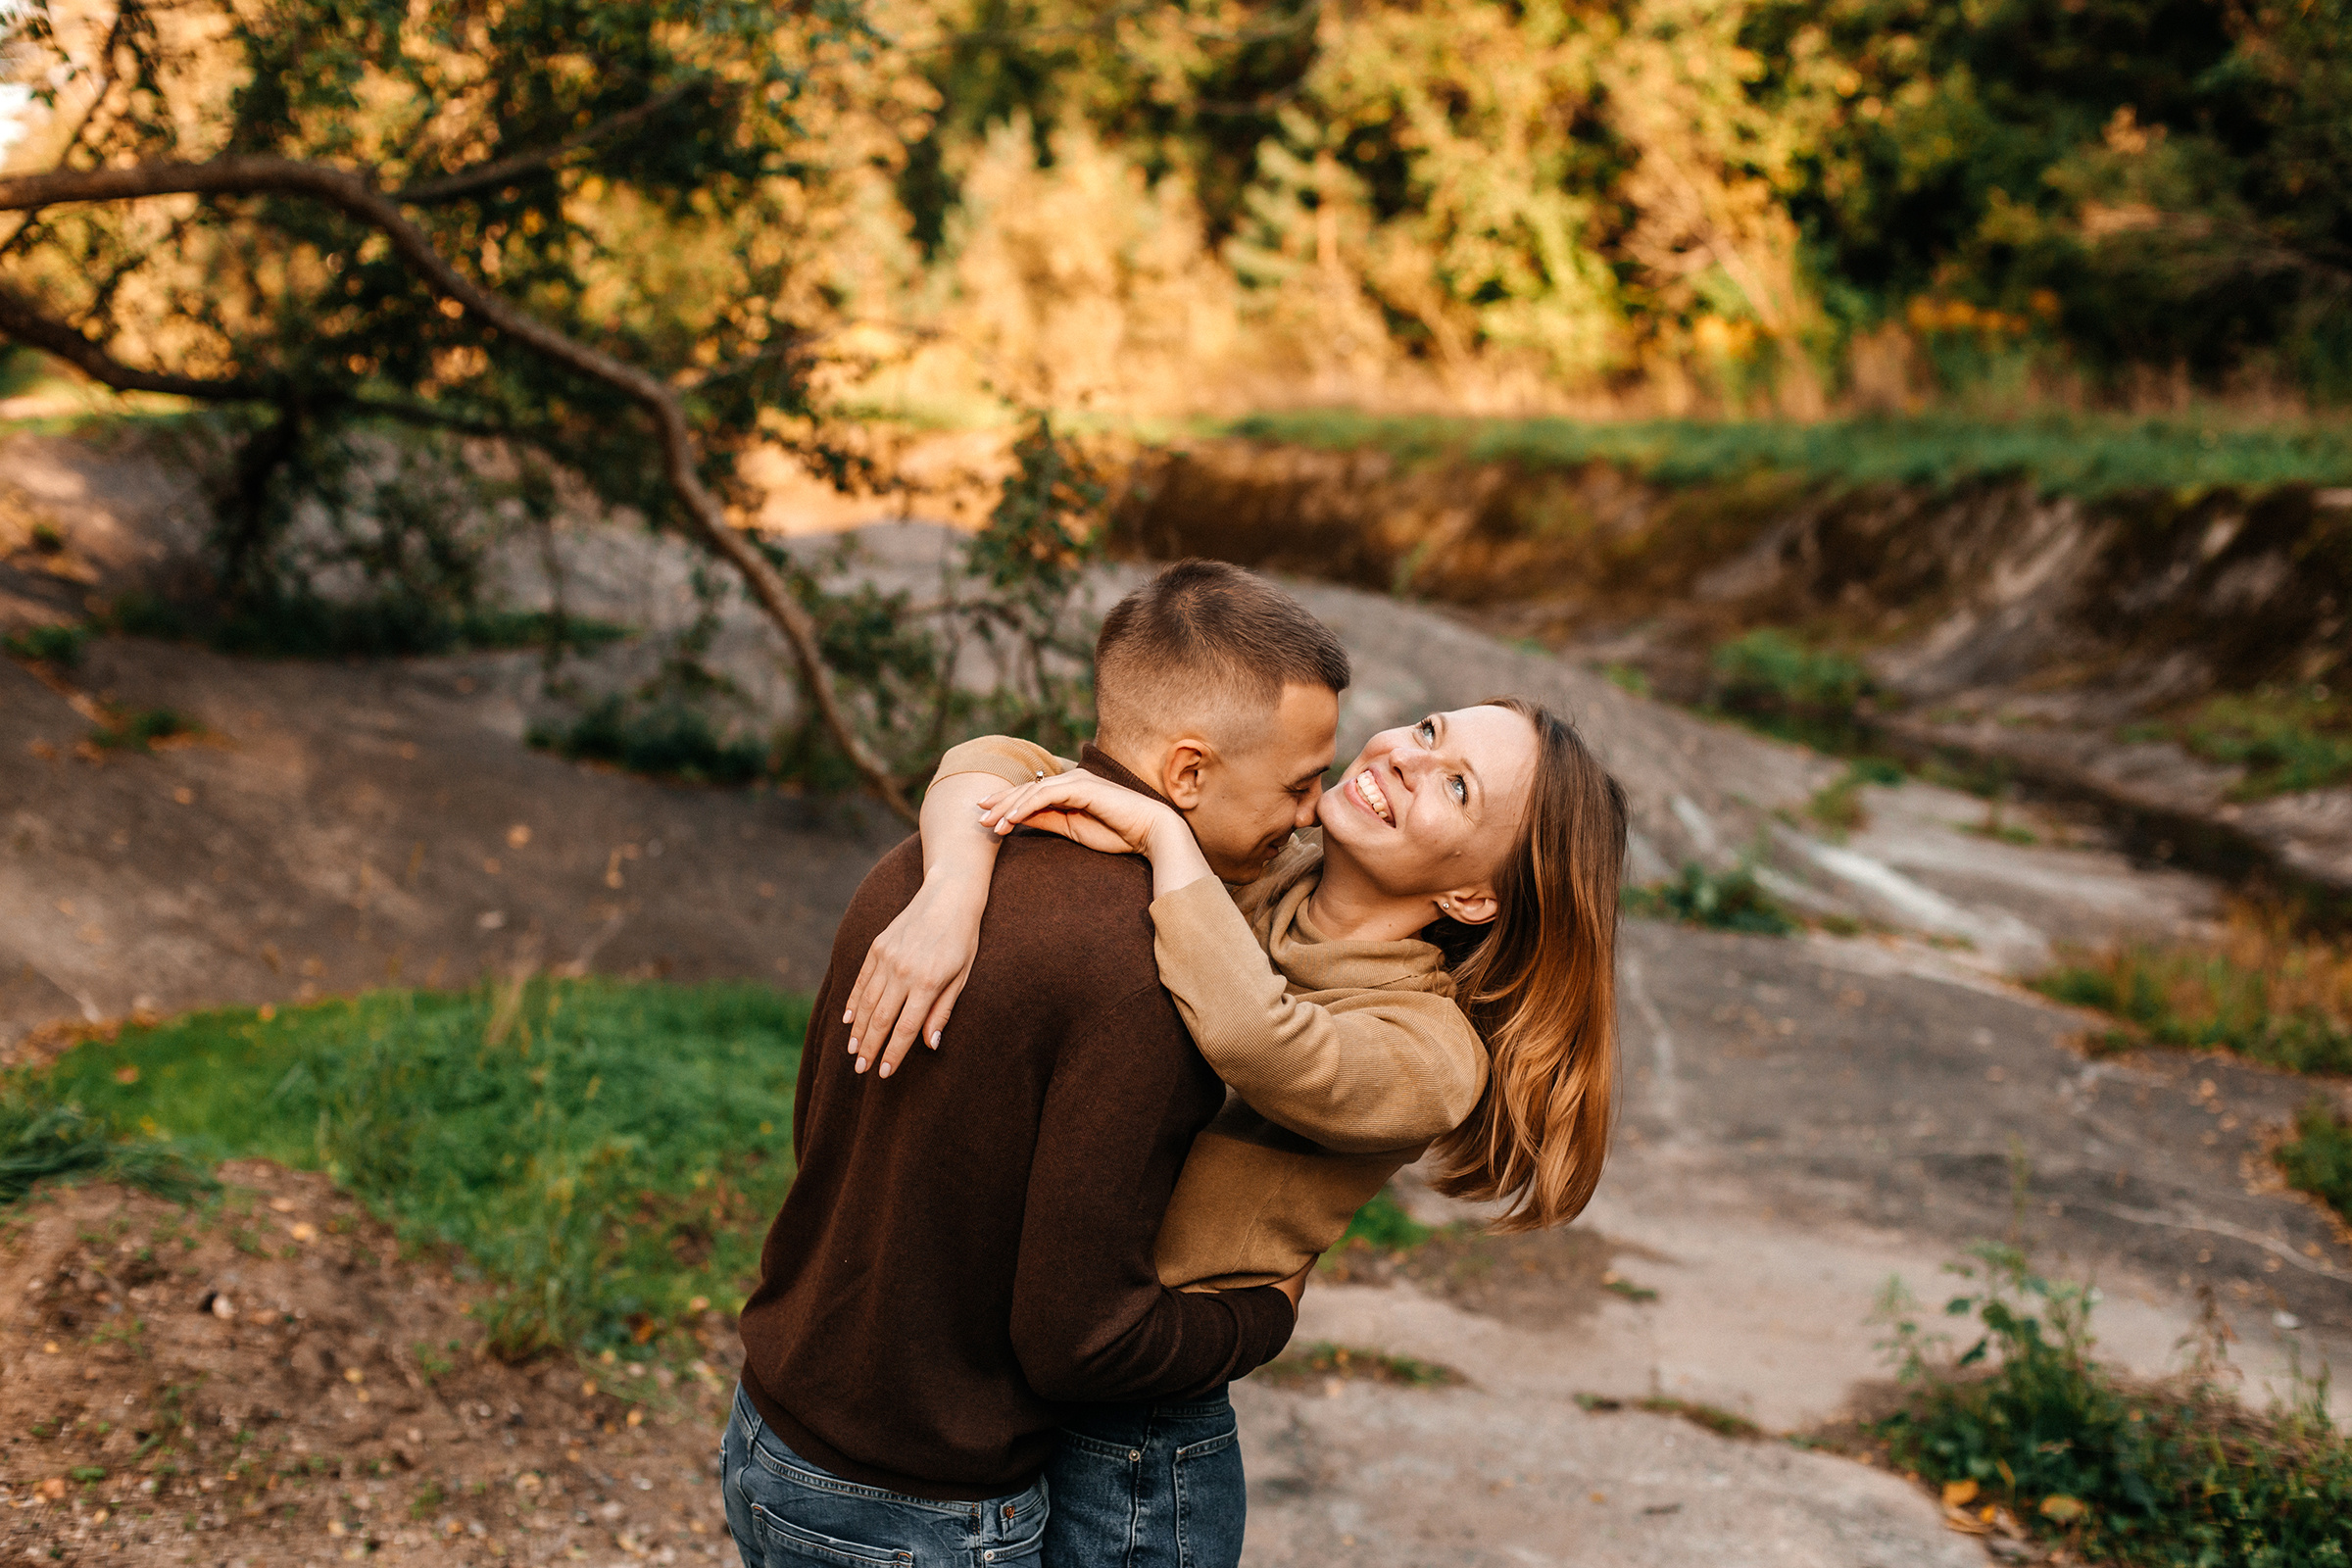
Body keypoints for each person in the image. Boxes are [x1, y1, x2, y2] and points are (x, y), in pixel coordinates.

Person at [845, 685, 1628, 1565]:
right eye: (1428, 729)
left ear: (1476, 897)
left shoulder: (1433, 1053)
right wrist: (952, 887)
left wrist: (1163, 836)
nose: (1407, 758)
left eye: (1457, 786)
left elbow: (1264, 1042)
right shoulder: (1257, 873)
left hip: (1138, 1445)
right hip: (1017, 1376)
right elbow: (994, 760)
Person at [725, 561, 1352, 1568]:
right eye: (1299, 781)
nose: (1314, 811)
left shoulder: (926, 865)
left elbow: (825, 1139)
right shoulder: (1148, 975)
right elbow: (1083, 1342)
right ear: (1188, 773)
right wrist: (1261, 1315)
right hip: (921, 1511)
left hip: (772, 1433)